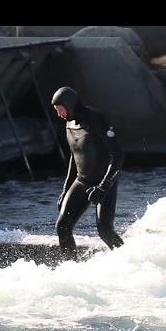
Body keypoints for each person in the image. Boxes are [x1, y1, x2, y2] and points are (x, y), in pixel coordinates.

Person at [51, 86, 125, 259]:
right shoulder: (69, 123)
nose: (58, 114)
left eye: (59, 109)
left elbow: (118, 154)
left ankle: (132, 264)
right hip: (82, 181)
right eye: (56, 110)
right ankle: (71, 268)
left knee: (105, 231)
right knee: (62, 226)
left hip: (104, 182)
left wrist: (104, 186)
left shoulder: (96, 119)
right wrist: (66, 189)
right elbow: (74, 157)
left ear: (68, 105)